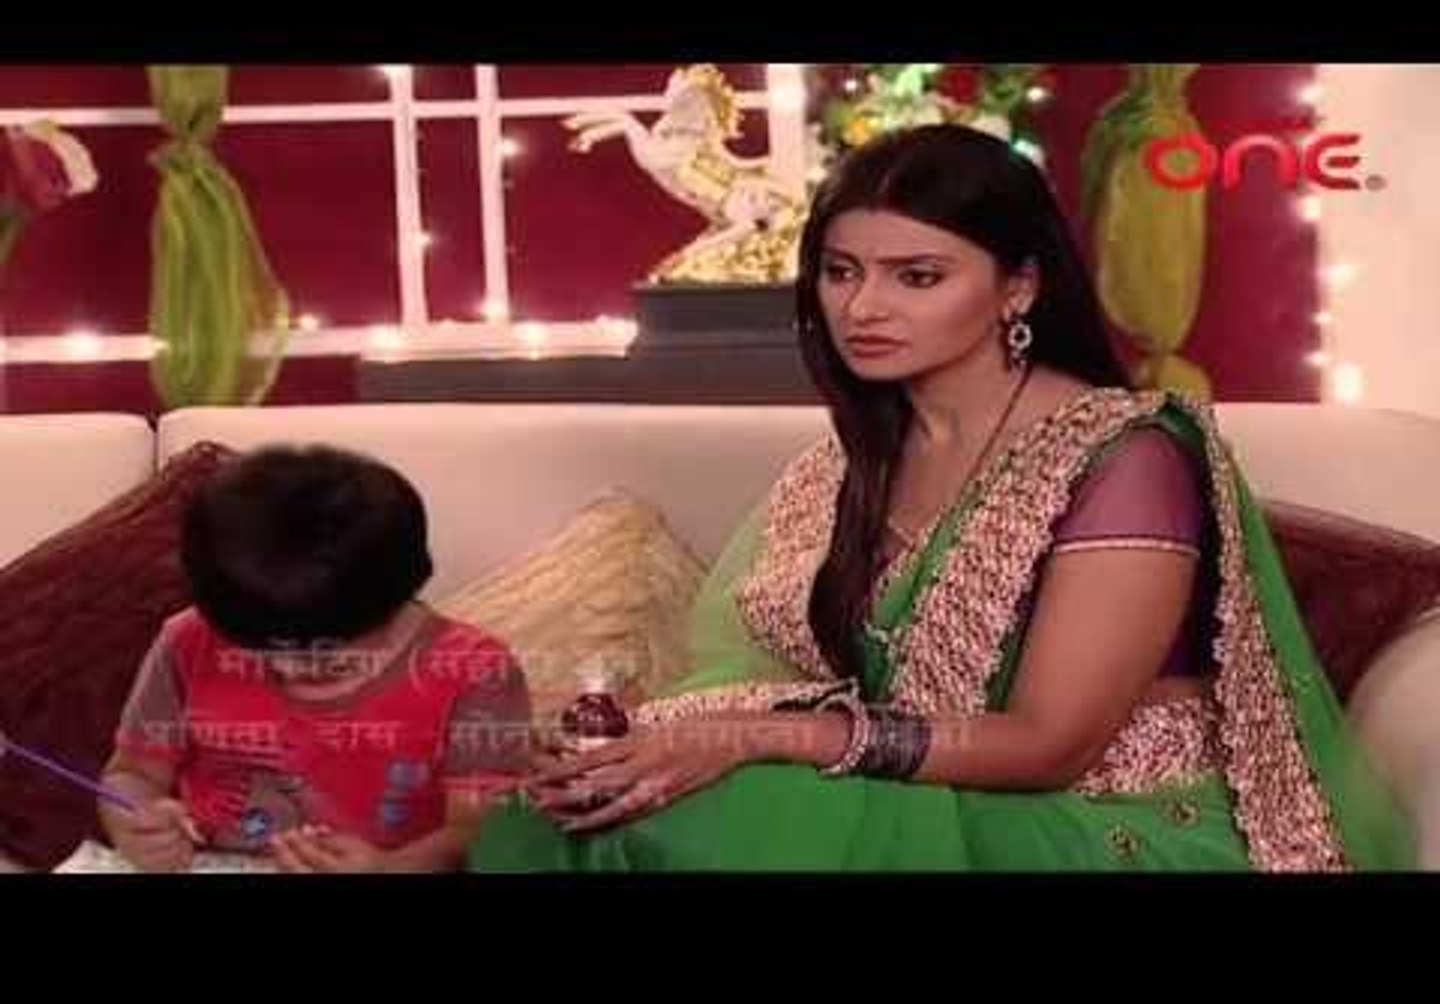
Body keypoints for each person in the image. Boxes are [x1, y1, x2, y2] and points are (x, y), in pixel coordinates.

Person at [469, 123, 1411, 872]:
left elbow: (1049, 746)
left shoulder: (1127, 457)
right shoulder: (856, 454)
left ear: (1018, 288)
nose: (863, 308)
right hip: (906, 782)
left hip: (1095, 812)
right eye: (841, 272)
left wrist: (753, 740)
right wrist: (650, 738)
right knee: (580, 801)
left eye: (917, 276)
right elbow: (777, 662)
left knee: (702, 820)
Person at [81, 445, 528, 873]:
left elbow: (477, 830)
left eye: (325, 654)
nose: (288, 670)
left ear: (392, 602)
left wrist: (392, 867)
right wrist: (134, 821)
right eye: (258, 649)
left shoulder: (474, 670)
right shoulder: (188, 639)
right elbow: (132, 773)